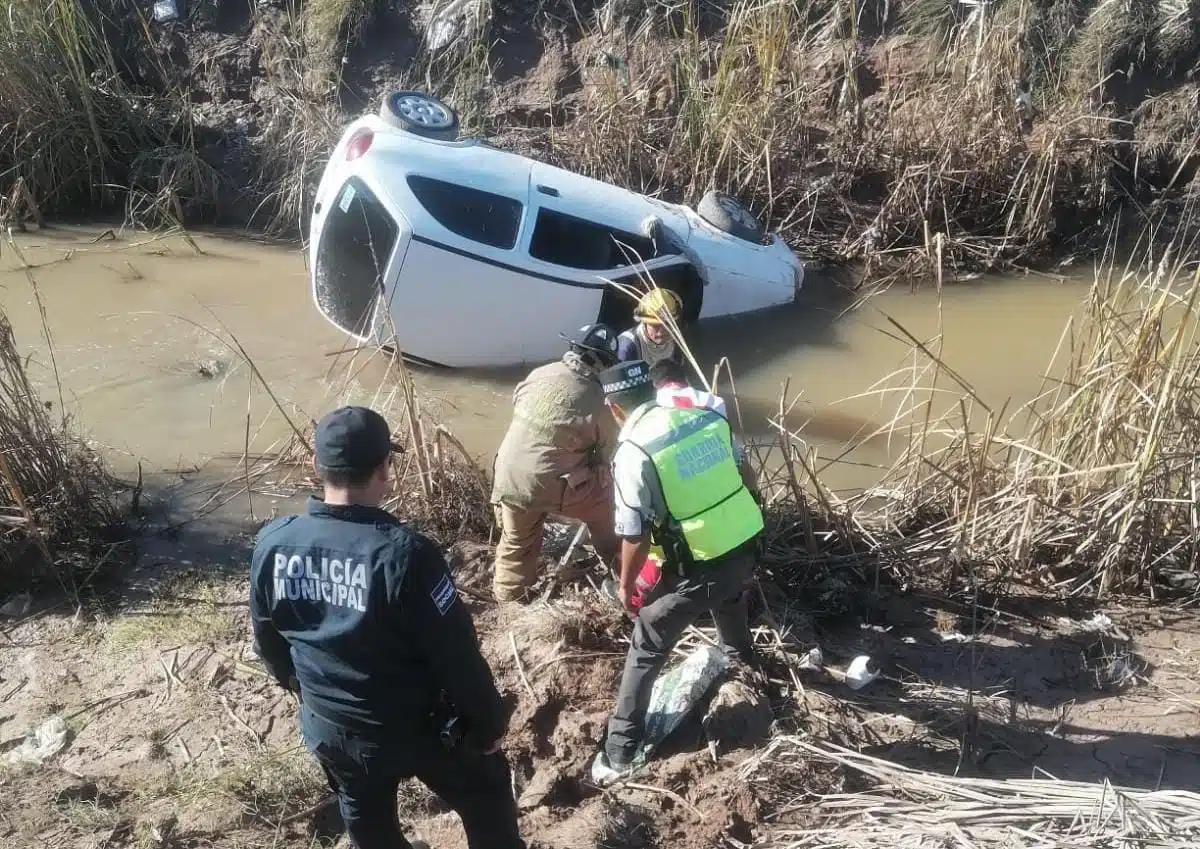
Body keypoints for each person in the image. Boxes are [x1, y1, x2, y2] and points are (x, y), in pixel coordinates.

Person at [250, 406, 525, 849]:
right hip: (416, 727)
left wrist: (304, 690)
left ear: (318, 467)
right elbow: (456, 655)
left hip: (332, 726)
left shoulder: (273, 543)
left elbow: (269, 640)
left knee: (364, 814)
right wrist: (488, 726)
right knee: (486, 794)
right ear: (384, 468)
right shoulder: (405, 556)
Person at [593, 360, 765, 782]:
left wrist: (626, 584)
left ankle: (619, 748)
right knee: (725, 592)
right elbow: (746, 475)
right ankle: (741, 657)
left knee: (649, 637)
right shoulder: (705, 417)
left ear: (614, 408)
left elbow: (632, 535)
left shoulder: (633, 450)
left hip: (705, 558)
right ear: (652, 394)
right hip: (748, 543)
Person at [490, 324, 621, 603]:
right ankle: (619, 569)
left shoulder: (539, 373)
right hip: (550, 485)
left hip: (508, 476)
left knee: (515, 543)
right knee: (606, 503)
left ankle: (508, 601)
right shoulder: (598, 401)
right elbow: (607, 453)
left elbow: (520, 406)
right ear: (603, 363)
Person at [616, 289, 685, 369]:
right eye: (655, 325)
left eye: (668, 324)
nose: (661, 331)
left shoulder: (678, 341)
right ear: (644, 323)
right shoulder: (626, 347)